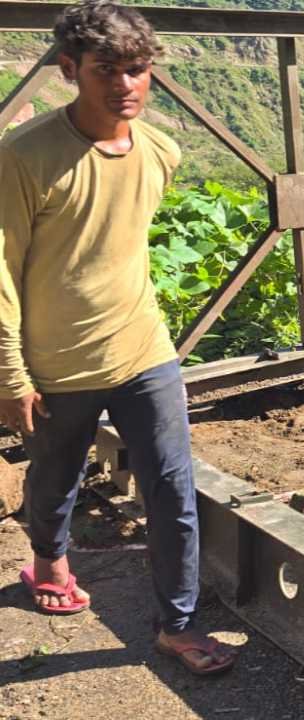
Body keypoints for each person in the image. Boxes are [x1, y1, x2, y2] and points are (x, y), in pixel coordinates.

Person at [0, 0, 236, 675]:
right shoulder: (23, 156)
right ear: (69, 69)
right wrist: (11, 375)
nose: (124, 84)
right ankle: (48, 558)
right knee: (56, 478)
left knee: (172, 490)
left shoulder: (161, 150)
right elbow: (2, 271)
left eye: (136, 69)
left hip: (143, 350)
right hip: (56, 362)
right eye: (106, 69)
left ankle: (178, 624)